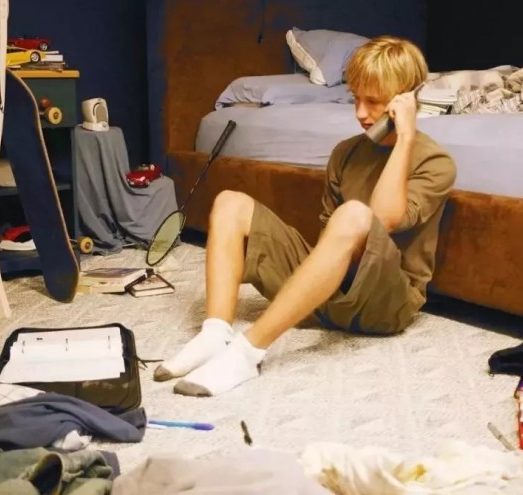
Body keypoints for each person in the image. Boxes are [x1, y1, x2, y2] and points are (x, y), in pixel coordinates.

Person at [154, 35, 457, 397]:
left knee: (355, 214)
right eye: (356, 99)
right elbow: (328, 235)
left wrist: (405, 138)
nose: (361, 114)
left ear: (405, 101)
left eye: (374, 102)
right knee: (229, 202)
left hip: (385, 304)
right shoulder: (346, 153)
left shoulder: (435, 162)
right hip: (328, 296)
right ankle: (215, 333)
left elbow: (383, 219)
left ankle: (247, 353)